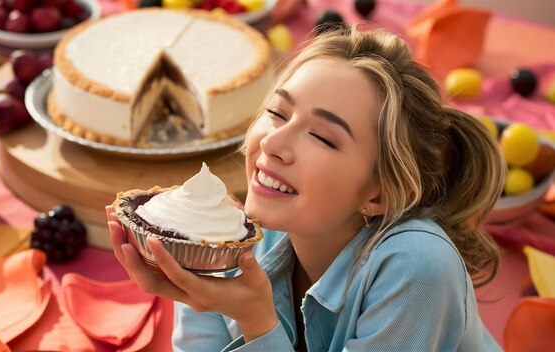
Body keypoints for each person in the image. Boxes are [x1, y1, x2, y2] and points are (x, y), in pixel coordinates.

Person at [106, 25, 505, 351]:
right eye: (278, 113)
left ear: (379, 194)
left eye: (323, 138)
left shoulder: (418, 268)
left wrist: (257, 322)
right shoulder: (253, 234)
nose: (273, 144)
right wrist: (199, 285)